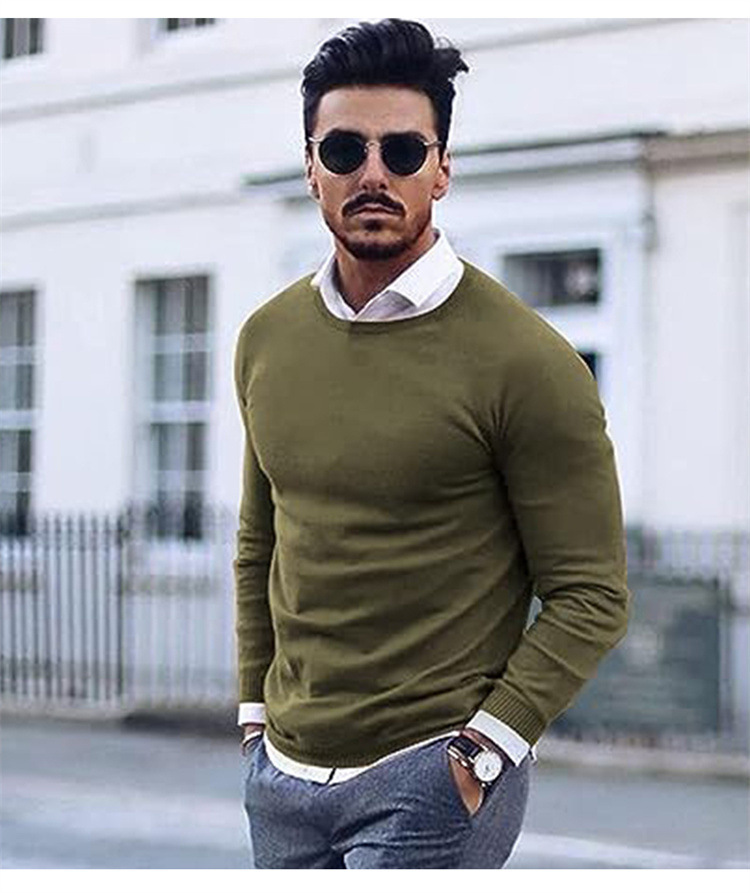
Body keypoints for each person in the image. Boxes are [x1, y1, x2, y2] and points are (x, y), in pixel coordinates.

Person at [233, 18, 630, 869]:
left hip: (429, 776)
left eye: (404, 151)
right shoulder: (267, 340)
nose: (373, 173)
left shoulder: (527, 361)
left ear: (442, 168)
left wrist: (484, 751)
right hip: (282, 780)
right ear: (311, 166)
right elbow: (261, 540)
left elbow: (591, 592)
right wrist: (253, 718)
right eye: (345, 150)